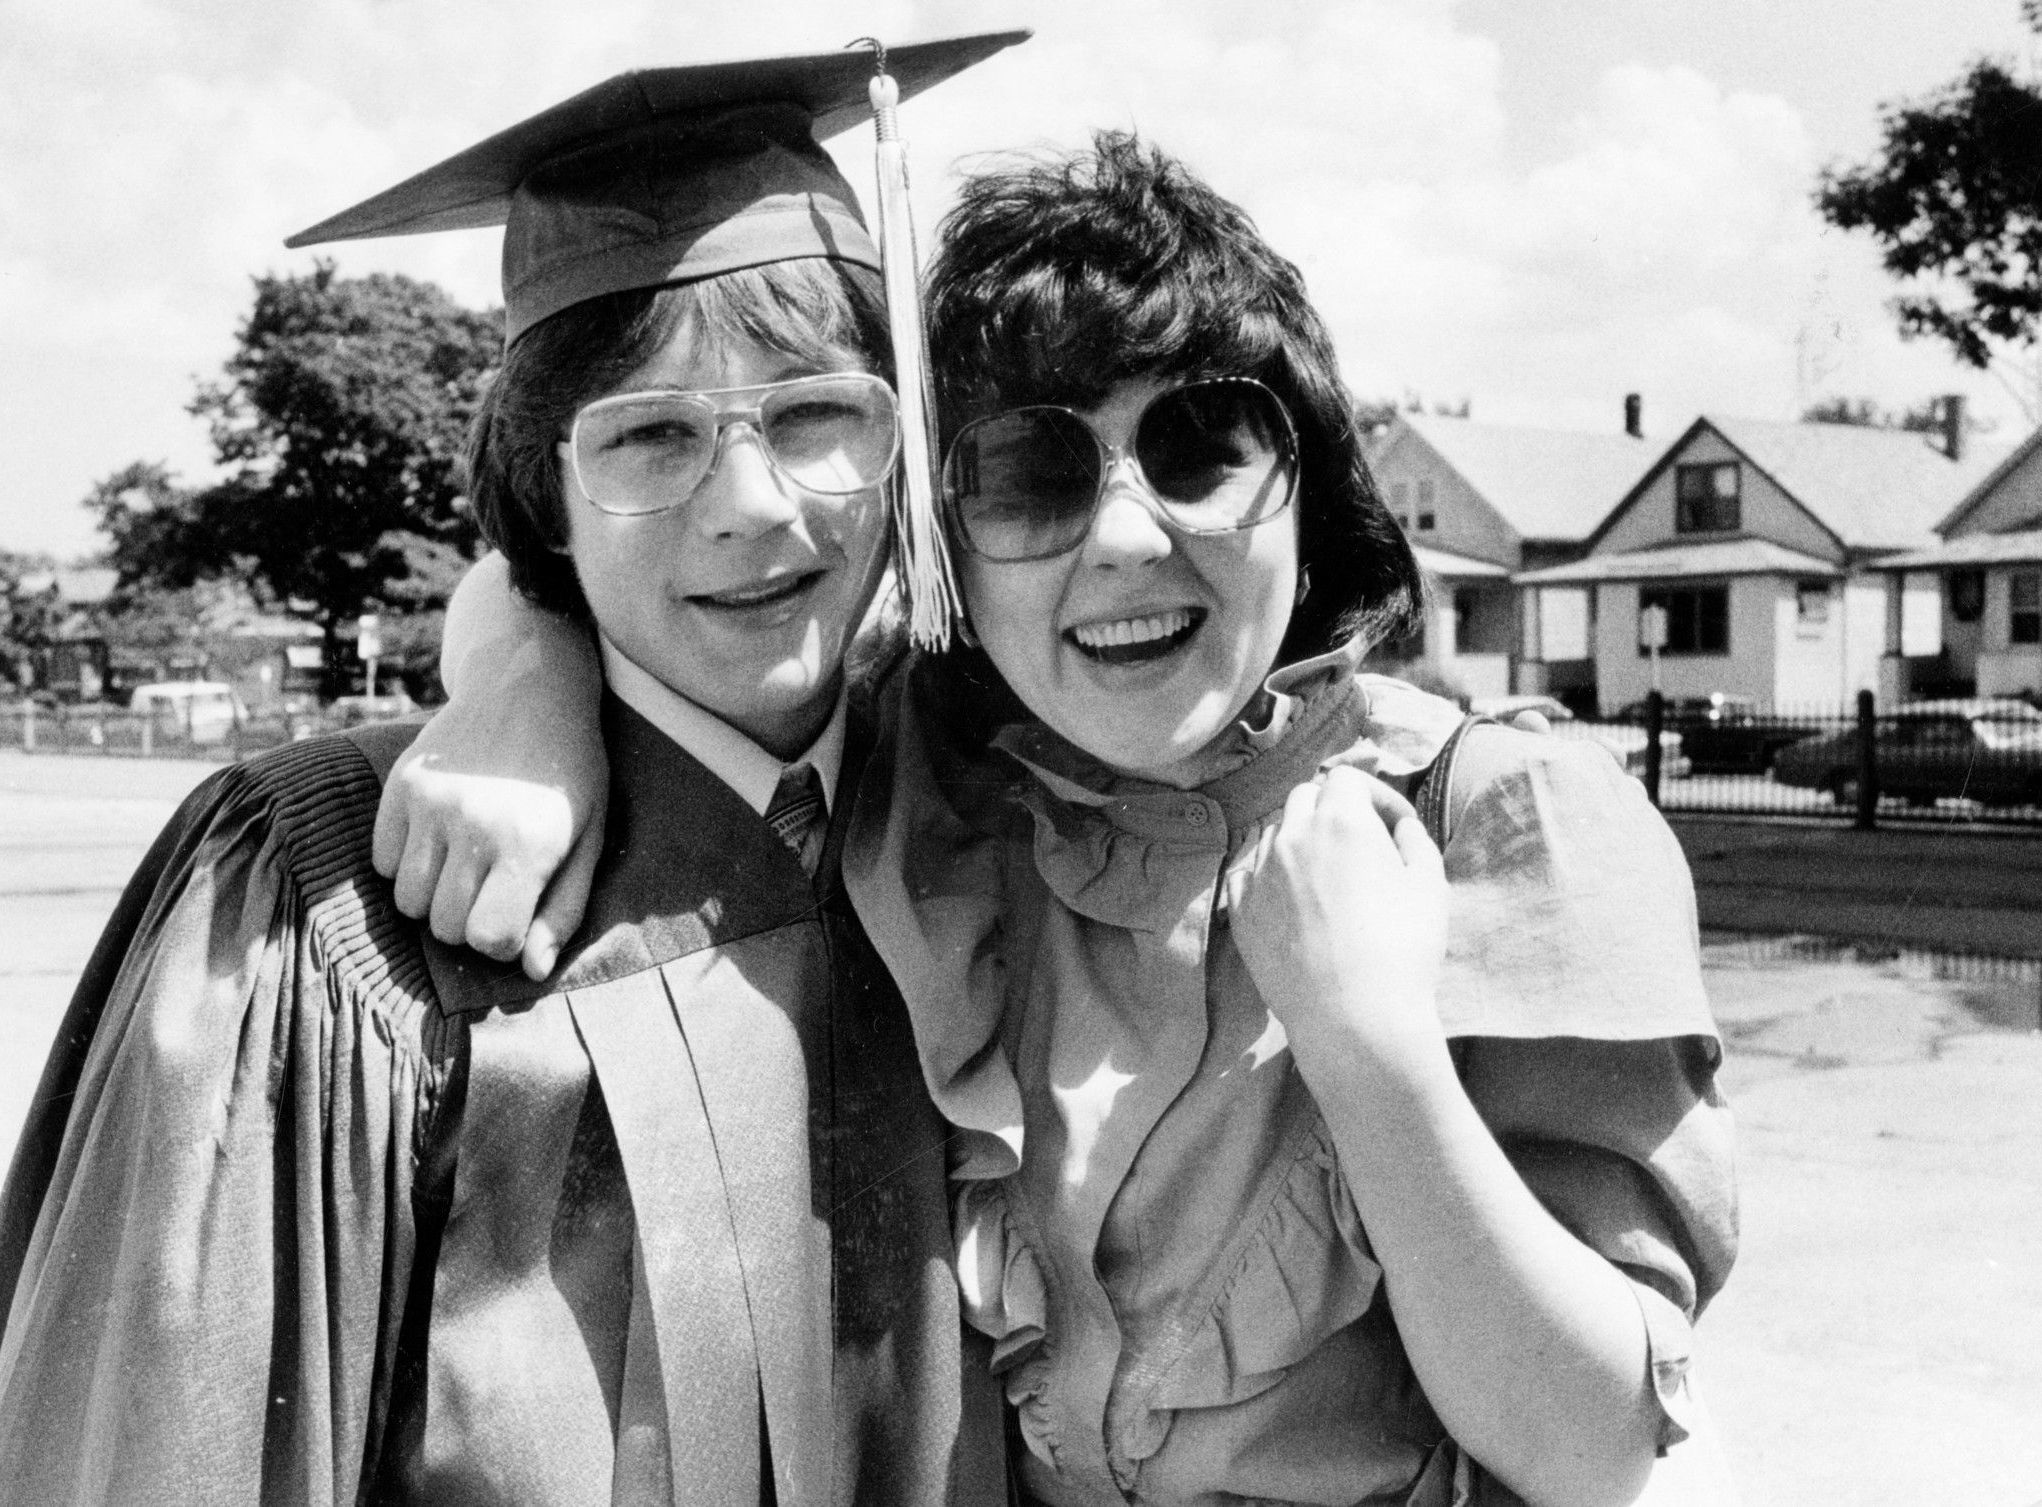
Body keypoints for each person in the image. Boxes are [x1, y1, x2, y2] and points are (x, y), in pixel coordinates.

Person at [377, 136, 1738, 1507]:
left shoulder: (1495, 816)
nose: (1128, 538)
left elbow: (1593, 1451)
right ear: (945, 546)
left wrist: (1372, 1054)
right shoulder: (951, 788)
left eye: (1202, 446)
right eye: (1032, 475)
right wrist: (520, 680)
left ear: (1310, 493)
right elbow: (567, 561)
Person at [0, 36, 1029, 1506]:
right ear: (543, 488)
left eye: (817, 416)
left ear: (903, 439)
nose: (750, 507)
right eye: (650, 437)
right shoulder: (326, 911)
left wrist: (518, 659)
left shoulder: (1009, 814)